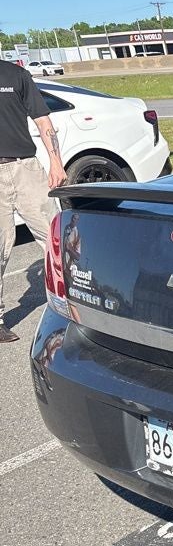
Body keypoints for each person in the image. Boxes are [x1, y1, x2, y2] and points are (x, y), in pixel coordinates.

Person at [0, 58, 66, 343]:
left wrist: (56, 162)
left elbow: (42, 119)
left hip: (26, 168)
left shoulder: (16, 75)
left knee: (57, 239)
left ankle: (75, 303)